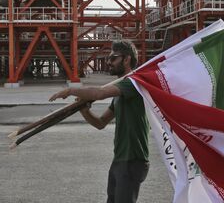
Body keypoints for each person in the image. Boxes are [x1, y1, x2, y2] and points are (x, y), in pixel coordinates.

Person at [49, 40, 149, 203]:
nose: (109, 62)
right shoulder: (120, 92)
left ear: (126, 59)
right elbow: (101, 123)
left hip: (133, 159)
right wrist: (83, 109)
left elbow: (99, 94)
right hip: (120, 159)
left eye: (113, 58)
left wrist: (70, 90)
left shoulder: (133, 83)